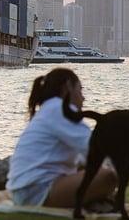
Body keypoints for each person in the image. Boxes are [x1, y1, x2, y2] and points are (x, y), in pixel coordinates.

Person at [6, 68, 117, 208]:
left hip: (26, 191)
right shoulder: (60, 109)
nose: (83, 98)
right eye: (80, 90)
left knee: (93, 171)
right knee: (108, 177)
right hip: (36, 191)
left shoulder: (50, 109)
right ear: (68, 86)